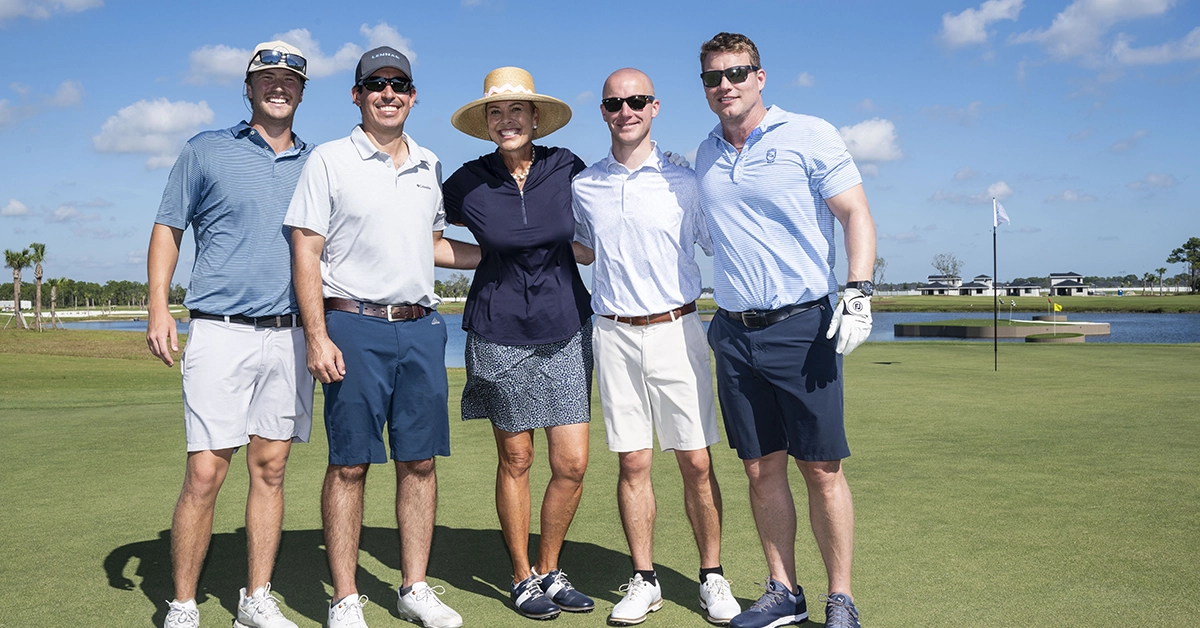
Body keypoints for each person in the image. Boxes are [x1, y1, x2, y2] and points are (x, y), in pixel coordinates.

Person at [284, 47, 479, 628]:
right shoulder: (328, 159)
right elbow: (306, 249)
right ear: (357, 94)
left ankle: (413, 587)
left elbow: (436, 246)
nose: (388, 94)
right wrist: (317, 335)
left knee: (419, 463)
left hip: (421, 328)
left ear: (413, 96)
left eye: (399, 85)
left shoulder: (429, 162)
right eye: (376, 84)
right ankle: (345, 597)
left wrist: (513, 255)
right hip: (352, 324)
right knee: (349, 465)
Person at [693, 32, 876, 628]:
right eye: (715, 77)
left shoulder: (809, 133)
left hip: (801, 326)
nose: (727, 85)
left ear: (761, 76)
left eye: (738, 73)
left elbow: (855, 212)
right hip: (733, 331)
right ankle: (783, 591)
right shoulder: (705, 153)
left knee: (821, 469)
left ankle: (840, 598)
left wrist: (858, 289)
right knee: (760, 467)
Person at [147, 40, 314, 628]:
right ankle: (184, 603)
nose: (278, 86)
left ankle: (255, 599)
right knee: (205, 471)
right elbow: (168, 227)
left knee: (270, 469)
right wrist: (158, 309)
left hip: (289, 335)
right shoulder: (205, 150)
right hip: (219, 331)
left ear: (301, 92)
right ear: (248, 88)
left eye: (290, 80)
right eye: (266, 78)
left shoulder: (317, 162)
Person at [571, 68, 741, 627]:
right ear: (603, 111)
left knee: (695, 460)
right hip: (614, 332)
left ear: (655, 106)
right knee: (634, 461)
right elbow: (581, 250)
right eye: (615, 103)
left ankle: (712, 575)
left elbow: (720, 244)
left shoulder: (686, 181)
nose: (627, 111)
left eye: (637, 100)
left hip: (678, 328)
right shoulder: (584, 185)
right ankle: (644, 580)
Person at [442, 67, 595, 621]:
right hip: (497, 331)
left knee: (572, 463)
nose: (506, 121)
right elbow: (427, 239)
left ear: (535, 118)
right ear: (486, 124)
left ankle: (551, 569)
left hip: (566, 327)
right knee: (517, 456)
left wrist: (578, 251)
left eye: (517, 112)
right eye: (496, 113)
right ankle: (521, 576)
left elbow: (598, 228)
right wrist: (487, 256)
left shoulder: (566, 166)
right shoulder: (467, 180)